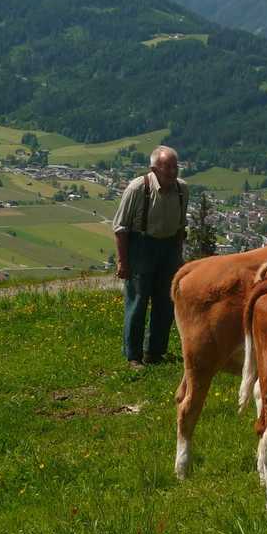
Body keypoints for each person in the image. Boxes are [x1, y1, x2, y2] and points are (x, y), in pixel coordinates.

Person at [112, 146, 189, 368]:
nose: (173, 171)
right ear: (154, 168)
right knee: (137, 302)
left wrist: (178, 255)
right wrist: (123, 261)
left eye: (175, 166)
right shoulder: (138, 188)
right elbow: (120, 228)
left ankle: (155, 352)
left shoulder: (183, 189)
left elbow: (181, 226)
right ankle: (133, 356)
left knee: (165, 303)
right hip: (141, 246)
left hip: (169, 248)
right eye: (168, 166)